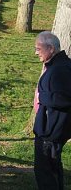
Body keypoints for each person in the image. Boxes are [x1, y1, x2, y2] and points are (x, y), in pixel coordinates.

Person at [33, 31, 71, 190]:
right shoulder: (60, 65)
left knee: (46, 172)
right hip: (52, 130)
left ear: (51, 48)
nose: (36, 53)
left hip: (51, 133)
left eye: (38, 49)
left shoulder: (60, 69)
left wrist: (42, 97)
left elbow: (64, 98)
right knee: (52, 169)